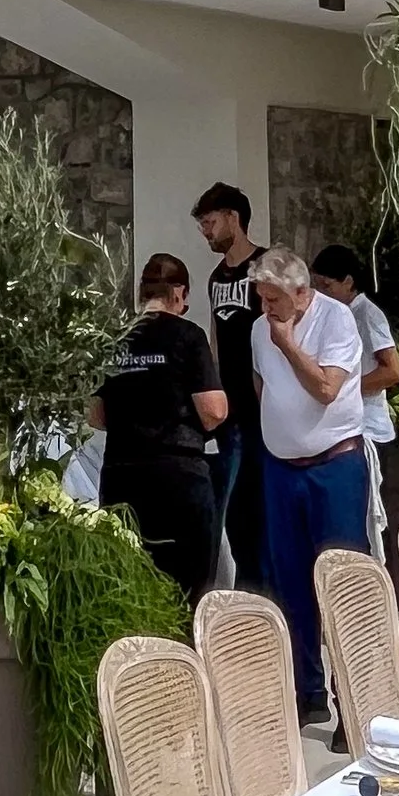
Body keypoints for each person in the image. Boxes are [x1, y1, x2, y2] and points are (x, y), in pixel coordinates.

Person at [247, 247, 369, 715]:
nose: (267, 309)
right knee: (291, 582)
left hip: (333, 465)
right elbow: (263, 387)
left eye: (274, 298)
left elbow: (325, 389)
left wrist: (289, 344)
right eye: (261, 299)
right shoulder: (260, 330)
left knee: (341, 581)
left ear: (302, 294)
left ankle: (353, 699)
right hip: (281, 469)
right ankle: (308, 691)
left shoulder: (336, 321)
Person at [91, 253, 228, 601]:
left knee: (128, 582)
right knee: (188, 587)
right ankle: (184, 653)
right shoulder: (188, 337)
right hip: (178, 477)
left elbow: (96, 416)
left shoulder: (112, 339)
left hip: (121, 476)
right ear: (179, 293)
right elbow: (212, 410)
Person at [195, 183, 267, 586]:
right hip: (229, 407)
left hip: (262, 405)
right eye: (203, 224)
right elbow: (216, 338)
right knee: (234, 506)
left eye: (211, 222)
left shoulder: (264, 266)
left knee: (257, 503)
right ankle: (244, 587)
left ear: (233, 218)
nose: (206, 232)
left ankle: (260, 588)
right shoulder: (216, 277)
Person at [311, 245, 399, 558]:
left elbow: (392, 370)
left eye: (327, 286)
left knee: (371, 518)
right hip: (344, 428)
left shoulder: (367, 314)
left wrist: (347, 388)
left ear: (348, 282)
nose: (321, 294)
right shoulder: (334, 316)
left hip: (370, 429)